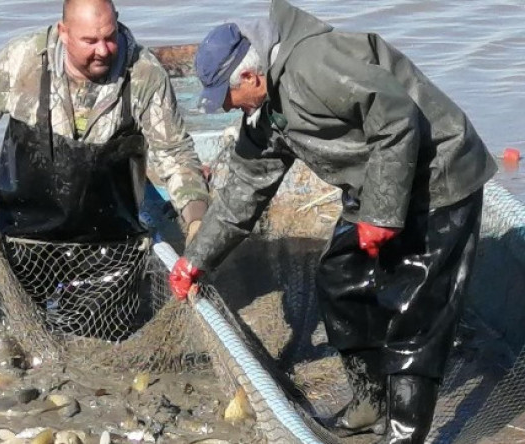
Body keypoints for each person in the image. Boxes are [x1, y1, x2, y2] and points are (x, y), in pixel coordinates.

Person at [168, 1, 497, 443]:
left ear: (250, 76)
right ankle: (370, 401)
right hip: (377, 182)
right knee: (338, 278)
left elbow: (397, 117)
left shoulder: (314, 65)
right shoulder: (264, 108)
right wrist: (196, 260)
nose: (226, 108)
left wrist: (381, 215)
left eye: (226, 97)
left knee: (413, 314)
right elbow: (243, 190)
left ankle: (404, 433)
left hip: (440, 176)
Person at [0, 0, 209, 336]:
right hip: (21, 234)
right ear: (64, 33)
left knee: (99, 347)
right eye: (90, 41)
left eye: (110, 37)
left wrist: (196, 217)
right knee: (3, 337)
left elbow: (175, 153)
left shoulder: (144, 75)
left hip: (109, 245)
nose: (103, 50)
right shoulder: (24, 59)